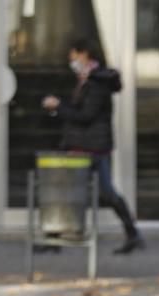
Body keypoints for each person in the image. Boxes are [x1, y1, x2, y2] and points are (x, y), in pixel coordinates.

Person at [42, 38, 144, 255]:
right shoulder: (88, 79)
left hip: (91, 147)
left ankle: (58, 238)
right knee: (85, 190)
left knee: (73, 189)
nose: (71, 60)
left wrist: (59, 106)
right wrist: (60, 106)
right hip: (88, 145)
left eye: (74, 55)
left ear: (85, 54)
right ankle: (131, 233)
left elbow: (86, 115)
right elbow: (80, 109)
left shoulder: (96, 82)